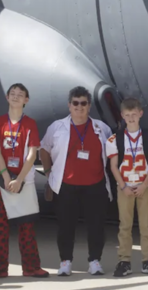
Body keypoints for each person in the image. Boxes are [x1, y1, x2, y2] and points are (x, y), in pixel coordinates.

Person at [40, 87, 113, 276]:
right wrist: (49, 173)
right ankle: (65, 262)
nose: (79, 107)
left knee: (96, 226)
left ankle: (95, 261)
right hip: (66, 186)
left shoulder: (101, 128)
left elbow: (112, 154)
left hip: (95, 185)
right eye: (75, 103)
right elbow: (44, 149)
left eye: (83, 103)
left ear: (89, 106)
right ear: (69, 105)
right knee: (66, 225)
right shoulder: (57, 127)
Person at [0, 83, 48, 280]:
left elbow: (32, 154)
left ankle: (31, 267)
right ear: (7, 97)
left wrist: (19, 179)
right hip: (3, 180)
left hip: (24, 180)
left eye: (20, 95)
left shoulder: (30, 124)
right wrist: (6, 177)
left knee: (26, 227)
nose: (16, 97)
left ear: (26, 100)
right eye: (12, 94)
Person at [106, 98, 148, 276]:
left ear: (140, 114)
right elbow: (114, 166)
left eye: (134, 115)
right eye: (127, 115)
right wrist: (123, 187)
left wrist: (145, 184)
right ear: (122, 116)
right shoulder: (115, 139)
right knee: (125, 225)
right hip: (125, 187)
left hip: (144, 186)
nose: (130, 118)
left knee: (146, 225)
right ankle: (124, 261)